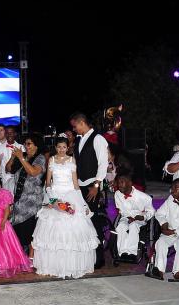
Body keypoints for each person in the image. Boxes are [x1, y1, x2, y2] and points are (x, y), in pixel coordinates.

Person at [31, 135, 98, 278]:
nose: (61, 150)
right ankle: (53, 266)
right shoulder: (52, 160)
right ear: (55, 148)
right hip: (55, 195)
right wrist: (51, 196)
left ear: (67, 148)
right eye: (59, 147)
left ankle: (71, 266)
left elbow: (75, 183)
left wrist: (82, 202)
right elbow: (48, 182)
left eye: (64, 147)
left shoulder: (72, 160)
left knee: (73, 230)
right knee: (52, 231)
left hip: (70, 194)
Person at [70, 112, 109, 268]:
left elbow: (103, 164)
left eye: (74, 127)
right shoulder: (80, 139)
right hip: (80, 186)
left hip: (92, 185)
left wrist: (96, 185)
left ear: (81, 123)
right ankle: (86, 255)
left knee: (93, 221)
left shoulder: (98, 138)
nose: (74, 130)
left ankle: (99, 257)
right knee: (82, 221)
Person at [7, 133, 46, 259]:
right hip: (19, 199)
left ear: (36, 145)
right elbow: (8, 169)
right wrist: (14, 157)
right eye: (25, 144)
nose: (26, 146)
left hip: (32, 201)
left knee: (30, 230)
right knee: (19, 230)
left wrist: (22, 158)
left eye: (29, 144)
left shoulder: (40, 158)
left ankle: (31, 257)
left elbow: (33, 172)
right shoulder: (22, 157)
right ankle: (20, 256)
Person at [113, 172, 155, 264]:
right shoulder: (117, 194)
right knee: (120, 227)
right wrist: (128, 217)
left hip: (139, 218)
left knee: (133, 226)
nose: (119, 185)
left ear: (130, 183)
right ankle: (122, 252)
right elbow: (121, 210)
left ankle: (132, 252)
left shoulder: (144, 197)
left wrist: (143, 217)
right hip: (126, 216)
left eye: (122, 182)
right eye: (118, 182)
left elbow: (151, 211)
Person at [0, 126, 24, 194]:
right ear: (5, 134)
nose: (9, 134)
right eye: (7, 133)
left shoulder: (21, 147)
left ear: (15, 134)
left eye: (11, 133)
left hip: (18, 180)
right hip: (4, 180)